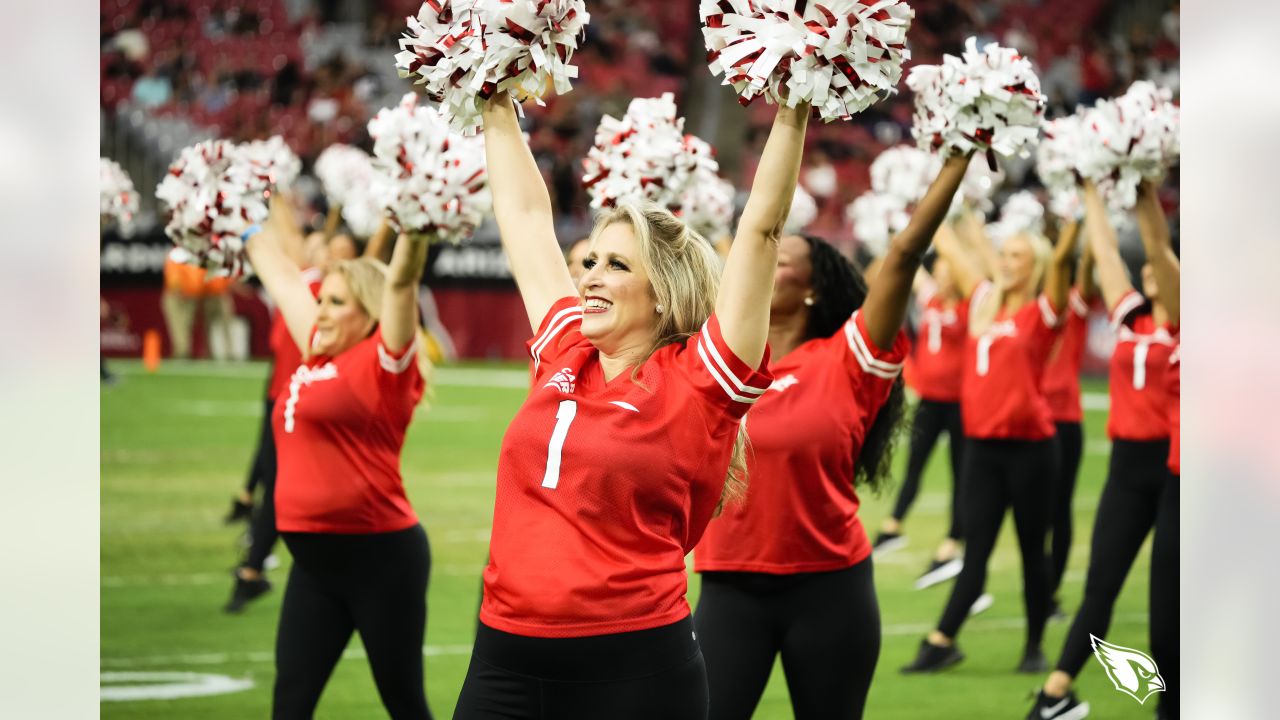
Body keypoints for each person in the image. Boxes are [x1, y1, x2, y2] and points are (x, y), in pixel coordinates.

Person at [451, 96, 808, 720]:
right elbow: (526, 217)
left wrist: (794, 107)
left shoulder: (703, 382)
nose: (588, 276)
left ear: (663, 293)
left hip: (632, 670)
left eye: (615, 265)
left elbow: (762, 231)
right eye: (590, 260)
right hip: (504, 657)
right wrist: (493, 98)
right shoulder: (563, 350)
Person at [692, 152, 973, 720]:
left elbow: (902, 257)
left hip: (830, 589)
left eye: (784, 258)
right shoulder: (714, 356)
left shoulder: (849, 357)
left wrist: (958, 158)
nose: (765, 261)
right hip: (728, 588)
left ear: (813, 288)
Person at [245, 194, 435, 719]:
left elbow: (399, 283)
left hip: (379, 561)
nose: (320, 310)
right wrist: (230, 213)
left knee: (404, 702)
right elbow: (282, 277)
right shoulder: (317, 349)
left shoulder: (381, 369)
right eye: (321, 300)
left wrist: (417, 227)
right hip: (314, 565)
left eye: (335, 303)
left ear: (368, 313)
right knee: (290, 704)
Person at [1027, 178, 1180, 720]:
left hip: (1177, 471)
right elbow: (1108, 250)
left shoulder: (1189, 325)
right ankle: (1055, 693)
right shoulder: (1131, 318)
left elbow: (1157, 249)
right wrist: (1092, 184)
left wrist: (1144, 199)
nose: (1147, 273)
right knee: (1099, 586)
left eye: (1160, 271)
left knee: (1169, 612)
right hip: (1126, 468)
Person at [902, 203, 1074, 674]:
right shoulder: (982, 303)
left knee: (1030, 552)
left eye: (1018, 256)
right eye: (1006, 253)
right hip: (981, 448)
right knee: (973, 548)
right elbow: (953, 247)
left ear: (1034, 266)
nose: (1006, 261)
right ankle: (942, 642)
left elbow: (1061, 262)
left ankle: (1035, 647)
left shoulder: (1042, 312)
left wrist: (1076, 213)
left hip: (1031, 451)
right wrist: (941, 192)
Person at [225, 202, 360, 613]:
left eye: (337, 248)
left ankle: (254, 564)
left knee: (280, 482)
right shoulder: (307, 282)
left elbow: (295, 244)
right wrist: (269, 192)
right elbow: (287, 247)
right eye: (325, 247)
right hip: (281, 394)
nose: (328, 253)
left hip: (308, 401)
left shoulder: (339, 296)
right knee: (272, 477)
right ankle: (254, 555)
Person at [873, 253, 969, 591]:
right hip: (930, 400)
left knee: (961, 473)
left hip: (961, 404)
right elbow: (909, 260)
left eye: (948, 273)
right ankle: (893, 526)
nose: (941, 279)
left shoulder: (971, 306)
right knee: (915, 464)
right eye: (938, 273)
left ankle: (954, 540)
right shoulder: (931, 297)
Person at [1038, 218, 1094, 615]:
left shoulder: (1075, 301)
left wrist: (1089, 219)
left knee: (1058, 510)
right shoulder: (1029, 307)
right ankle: (1039, 590)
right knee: (1034, 515)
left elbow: (1086, 263)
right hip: (1034, 422)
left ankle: (1050, 592)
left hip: (1065, 421)